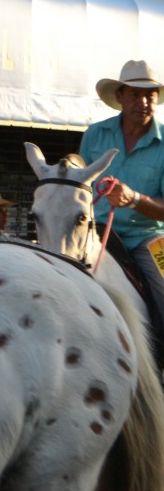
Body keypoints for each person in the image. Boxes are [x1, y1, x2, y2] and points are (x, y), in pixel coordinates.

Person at [80, 59, 164, 317]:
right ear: (120, 96)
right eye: (135, 94)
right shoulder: (94, 134)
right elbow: (79, 187)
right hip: (95, 234)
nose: (143, 102)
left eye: (150, 95)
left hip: (149, 239)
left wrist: (135, 199)